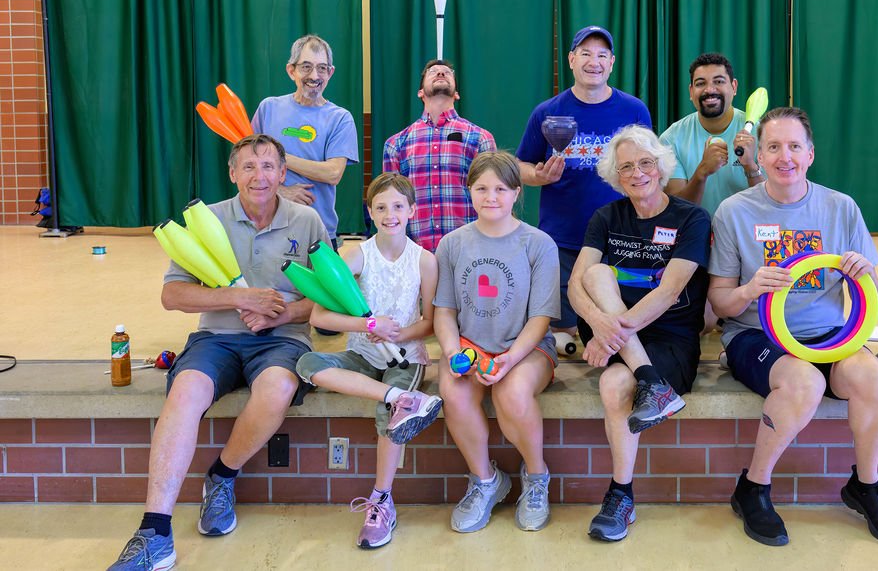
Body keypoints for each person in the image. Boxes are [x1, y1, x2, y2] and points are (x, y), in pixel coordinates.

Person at [108, 134, 329, 570]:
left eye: (268, 166)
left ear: (283, 173)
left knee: (277, 389)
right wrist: (238, 297)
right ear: (232, 173)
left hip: (283, 339)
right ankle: (155, 532)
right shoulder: (208, 219)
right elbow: (173, 295)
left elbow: (328, 297)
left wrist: (281, 314)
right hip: (216, 338)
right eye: (248, 166)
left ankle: (222, 476)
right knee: (185, 392)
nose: (259, 176)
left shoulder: (307, 221)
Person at [707, 107, 878, 548]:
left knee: (872, 377)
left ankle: (866, 486)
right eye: (774, 147)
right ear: (760, 156)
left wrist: (864, 275)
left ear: (810, 154)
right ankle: (753, 487)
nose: (785, 157)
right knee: (804, 383)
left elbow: (873, 293)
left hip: (828, 335)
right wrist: (749, 289)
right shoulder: (733, 212)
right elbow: (720, 301)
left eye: (794, 146)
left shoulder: (841, 207)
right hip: (756, 334)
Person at [568, 125, 710, 542]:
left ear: (661, 167)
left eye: (646, 163)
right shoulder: (606, 217)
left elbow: (669, 292)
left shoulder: (691, 218)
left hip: (669, 336)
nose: (637, 173)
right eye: (626, 166)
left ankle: (621, 494)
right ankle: (651, 383)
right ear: (616, 175)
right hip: (609, 328)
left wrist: (609, 336)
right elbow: (576, 286)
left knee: (614, 384)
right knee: (595, 273)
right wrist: (599, 325)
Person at [295, 172, 442, 549]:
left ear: (412, 210)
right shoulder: (356, 255)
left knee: (388, 415)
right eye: (381, 207)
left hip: (405, 358)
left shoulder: (424, 261)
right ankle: (402, 399)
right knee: (308, 365)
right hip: (362, 354)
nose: (390, 214)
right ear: (370, 212)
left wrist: (397, 333)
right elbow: (320, 316)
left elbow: (430, 322)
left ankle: (381, 500)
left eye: (397, 206)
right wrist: (368, 324)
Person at [434, 151, 560, 534]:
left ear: (517, 193)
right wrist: (453, 353)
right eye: (482, 188)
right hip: (469, 345)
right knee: (454, 392)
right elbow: (444, 312)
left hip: (526, 348)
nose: (491, 197)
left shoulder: (539, 244)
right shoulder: (452, 244)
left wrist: (510, 359)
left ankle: (536, 477)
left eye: (501, 189)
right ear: (469, 191)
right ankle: (486, 481)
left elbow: (540, 319)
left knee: (512, 393)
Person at [517, 25, 652, 348]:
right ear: (571, 60)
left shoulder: (634, 110)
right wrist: (539, 176)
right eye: (586, 54)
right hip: (562, 239)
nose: (594, 62)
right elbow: (521, 166)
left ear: (612, 62)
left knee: (618, 323)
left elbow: (649, 167)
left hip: (620, 237)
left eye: (602, 55)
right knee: (563, 328)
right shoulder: (547, 112)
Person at [252, 34, 360, 243]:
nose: (314, 75)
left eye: (322, 68)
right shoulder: (268, 108)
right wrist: (279, 192)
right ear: (291, 70)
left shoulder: (340, 118)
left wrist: (277, 156)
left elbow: (333, 173)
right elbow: (247, 164)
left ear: (330, 72)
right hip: (268, 231)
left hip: (319, 234)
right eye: (306, 67)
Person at [383, 59, 496, 251]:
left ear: (457, 93)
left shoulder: (480, 139)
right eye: (433, 71)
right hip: (415, 252)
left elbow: (492, 199)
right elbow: (390, 204)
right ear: (420, 92)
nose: (441, 73)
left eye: (447, 72)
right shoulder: (395, 144)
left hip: (469, 250)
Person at [660, 52, 763, 215]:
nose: (709, 90)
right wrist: (702, 171)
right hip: (696, 230)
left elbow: (772, 204)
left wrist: (750, 166)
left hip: (747, 229)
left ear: (734, 87)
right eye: (700, 83)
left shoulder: (762, 134)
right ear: (691, 91)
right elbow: (676, 211)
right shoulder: (671, 139)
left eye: (719, 81)